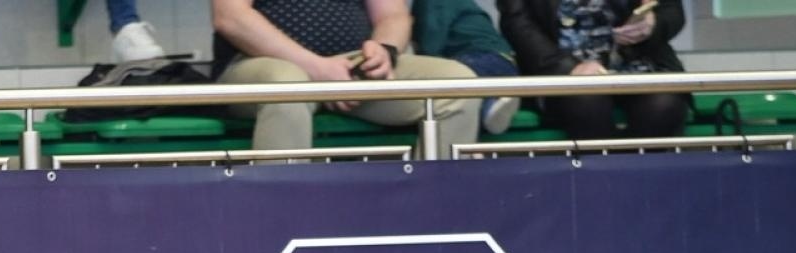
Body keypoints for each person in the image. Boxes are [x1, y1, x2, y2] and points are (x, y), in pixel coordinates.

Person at [211, 0, 480, 159]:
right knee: (288, 86)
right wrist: (316, 69)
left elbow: (393, 15)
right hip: (261, 64)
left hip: (350, 68)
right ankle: (278, 228)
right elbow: (231, 17)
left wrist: (384, 49)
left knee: (456, 83)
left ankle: (431, 223)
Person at [497, 0, 688, 140]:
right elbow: (516, 23)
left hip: (639, 61)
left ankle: (640, 185)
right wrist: (567, 68)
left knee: (663, 105)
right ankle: (602, 187)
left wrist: (653, 24)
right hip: (562, 70)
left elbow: (672, 11)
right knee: (587, 104)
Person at [411, 0, 520, 134]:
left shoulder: (432, 3)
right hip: (505, 62)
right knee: (469, 95)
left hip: (477, 58)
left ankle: (491, 104)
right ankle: (496, 101)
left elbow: (431, 42)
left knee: (458, 86)